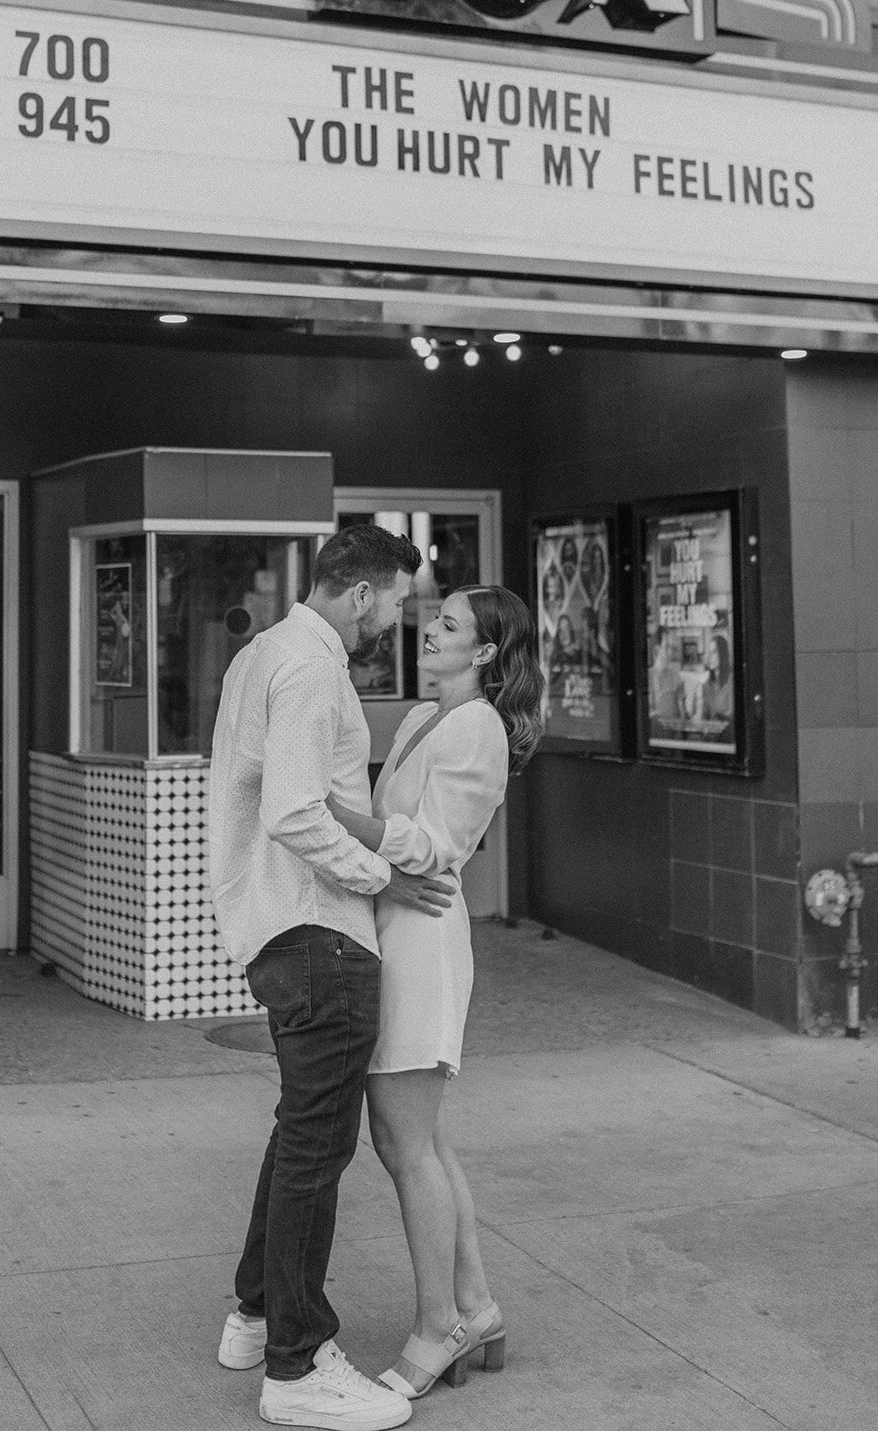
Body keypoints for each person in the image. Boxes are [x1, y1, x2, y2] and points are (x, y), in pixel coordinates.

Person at [210, 525, 455, 1431]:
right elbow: (294, 812)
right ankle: (298, 1366)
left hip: (276, 929)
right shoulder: (312, 669)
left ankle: (254, 1313)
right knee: (317, 1150)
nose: (394, 620)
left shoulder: (261, 655)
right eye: (394, 602)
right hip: (319, 933)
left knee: (297, 1137)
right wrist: (383, 879)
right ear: (361, 592)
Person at [326, 587, 544, 1399]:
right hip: (394, 925)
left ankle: (438, 1326)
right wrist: (373, 849)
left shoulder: (478, 725)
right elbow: (405, 839)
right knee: (414, 1139)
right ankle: (476, 1307)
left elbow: (438, 844)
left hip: (422, 940)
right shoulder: (423, 715)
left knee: (405, 1143)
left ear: (485, 654)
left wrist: (331, 820)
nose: (430, 632)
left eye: (449, 626)